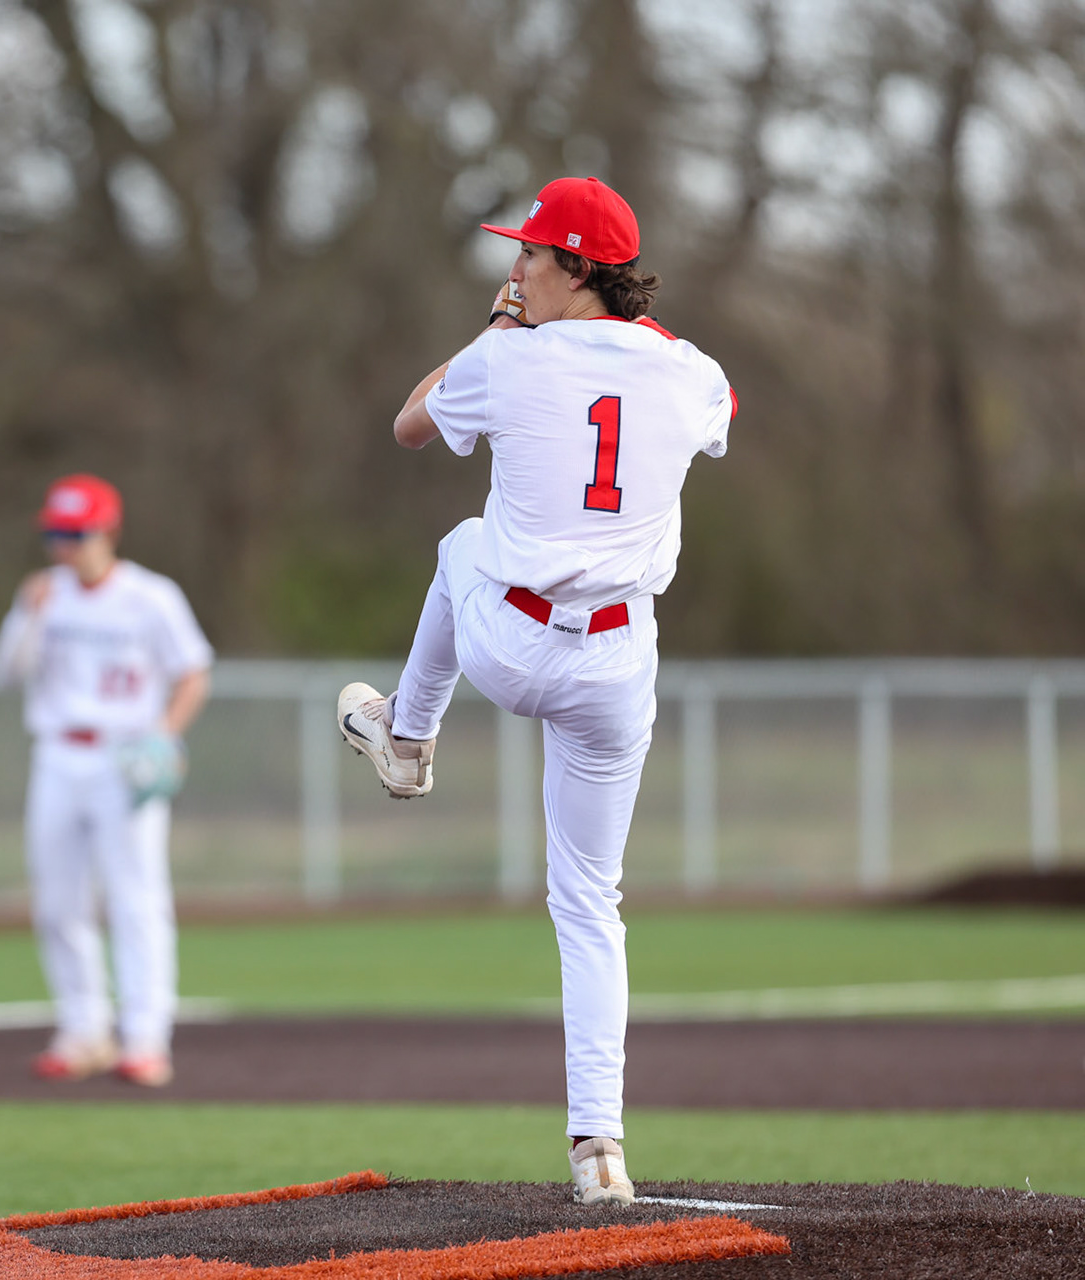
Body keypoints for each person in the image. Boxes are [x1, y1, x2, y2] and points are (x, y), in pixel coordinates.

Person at [335, 176, 735, 1205]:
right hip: (618, 665)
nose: (513, 269)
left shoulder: (506, 355)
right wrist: (643, 338)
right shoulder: (687, 369)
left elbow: (409, 426)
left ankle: (407, 737)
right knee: (591, 904)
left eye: (529, 256)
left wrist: (492, 330)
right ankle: (597, 1144)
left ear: (574, 269)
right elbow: (720, 409)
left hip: (511, 641)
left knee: (461, 539)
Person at [0, 474, 213, 1087]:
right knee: (59, 900)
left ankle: (145, 1039)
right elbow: (5, 672)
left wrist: (164, 735)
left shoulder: (150, 596)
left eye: (75, 533)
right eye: (54, 534)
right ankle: (83, 1030)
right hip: (59, 754)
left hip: (124, 757)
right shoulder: (43, 595)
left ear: (107, 531)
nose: (64, 546)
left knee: (135, 898)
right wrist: (25, 615)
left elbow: (193, 672)